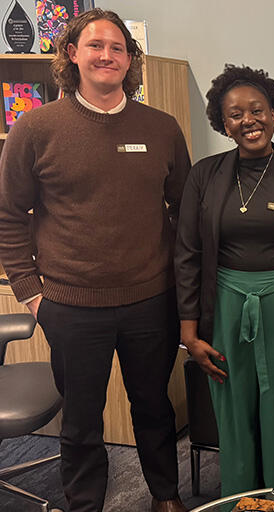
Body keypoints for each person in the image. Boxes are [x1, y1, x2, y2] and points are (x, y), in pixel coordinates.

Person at [0, 9, 190, 512]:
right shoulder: (36, 128)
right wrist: (32, 294)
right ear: (72, 54)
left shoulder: (163, 128)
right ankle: (85, 503)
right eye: (95, 45)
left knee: (154, 408)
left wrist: (181, 288)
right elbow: (9, 215)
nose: (107, 55)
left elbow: (185, 212)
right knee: (82, 419)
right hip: (70, 304)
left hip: (151, 301)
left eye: (118, 48)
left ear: (130, 60)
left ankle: (165, 495)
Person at [175, 64, 274, 496]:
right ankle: (237, 503)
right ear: (224, 124)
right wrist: (189, 332)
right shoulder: (204, 176)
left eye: (257, 110)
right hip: (223, 302)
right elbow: (187, 253)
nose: (249, 121)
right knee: (233, 411)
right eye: (236, 114)